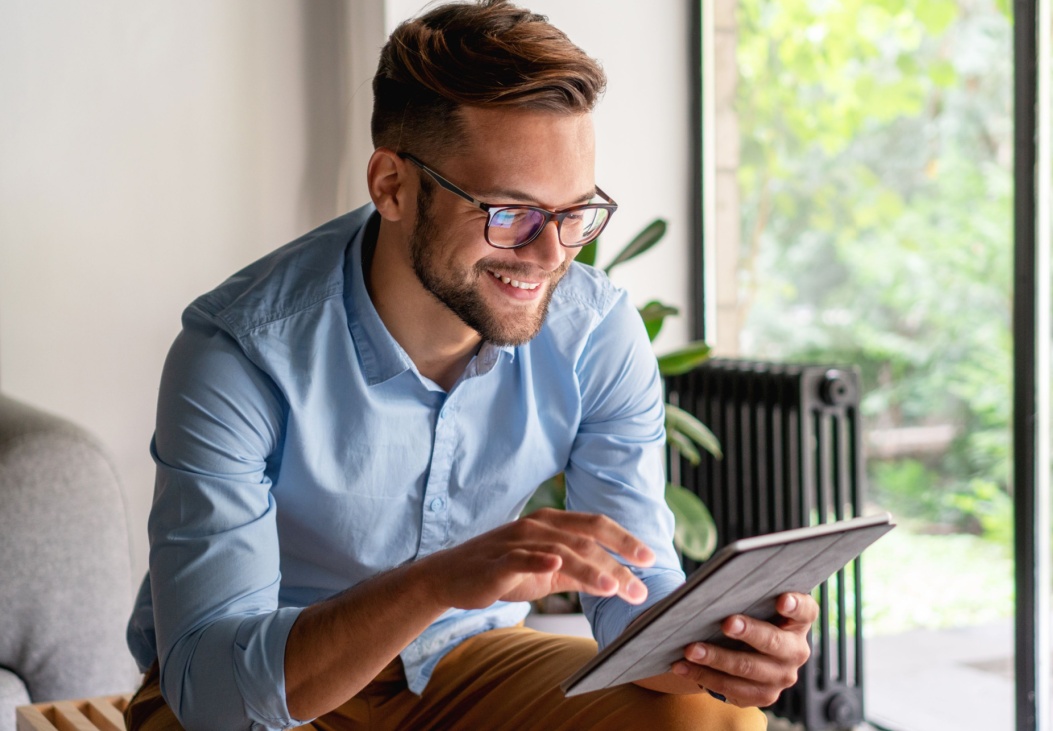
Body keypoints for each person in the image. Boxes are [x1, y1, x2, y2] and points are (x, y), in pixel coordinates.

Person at [123, 2, 818, 729]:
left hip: (463, 660)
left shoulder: (595, 332)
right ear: (392, 185)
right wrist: (433, 583)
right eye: (510, 213)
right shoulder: (239, 353)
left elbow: (632, 591)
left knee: (712, 721)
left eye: (574, 214)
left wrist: (719, 649)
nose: (550, 256)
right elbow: (212, 692)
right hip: (276, 672)